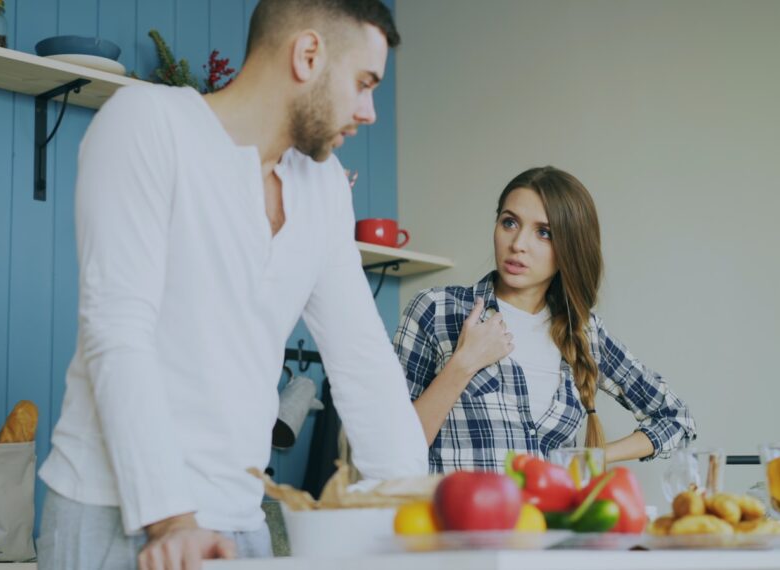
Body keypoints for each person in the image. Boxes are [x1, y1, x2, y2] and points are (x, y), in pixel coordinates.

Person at [36, 1, 428, 569]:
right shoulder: (147, 121)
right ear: (308, 54)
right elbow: (117, 330)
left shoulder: (322, 188)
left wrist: (418, 509)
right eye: (364, 83)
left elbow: (363, 360)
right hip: (117, 513)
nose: (369, 111)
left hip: (241, 523)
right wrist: (172, 520)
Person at [393, 166, 696, 474]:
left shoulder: (585, 333)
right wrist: (464, 363)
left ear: (570, 247)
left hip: (550, 521)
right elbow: (391, 448)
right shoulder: (437, 310)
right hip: (459, 521)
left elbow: (676, 419)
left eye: (544, 233)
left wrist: (596, 457)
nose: (518, 244)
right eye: (509, 222)